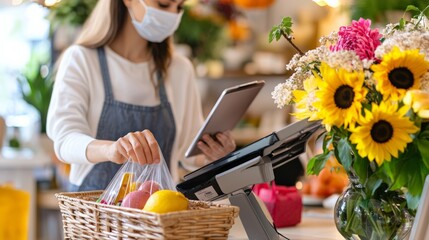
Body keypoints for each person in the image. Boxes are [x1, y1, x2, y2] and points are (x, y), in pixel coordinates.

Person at [46, 0, 236, 192]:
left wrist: (215, 154)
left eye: (178, 7)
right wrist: (110, 150)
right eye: (164, 5)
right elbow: (65, 141)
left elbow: (190, 155)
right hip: (95, 216)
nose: (172, 15)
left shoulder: (179, 69)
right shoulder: (82, 59)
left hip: (160, 214)